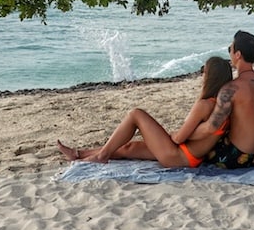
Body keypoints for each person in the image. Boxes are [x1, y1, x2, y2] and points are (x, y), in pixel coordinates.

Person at [56, 56, 233, 168]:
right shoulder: (221, 106)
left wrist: (169, 136)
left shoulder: (204, 105)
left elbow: (179, 138)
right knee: (128, 147)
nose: (202, 77)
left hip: (178, 156)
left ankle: (101, 156)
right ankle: (78, 154)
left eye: (204, 73)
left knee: (136, 114)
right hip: (187, 155)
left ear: (210, 78)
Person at [192, 30, 254, 169]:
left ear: (238, 55)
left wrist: (184, 135)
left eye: (230, 49)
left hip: (238, 156)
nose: (229, 52)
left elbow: (211, 127)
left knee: (198, 145)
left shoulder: (231, 89)